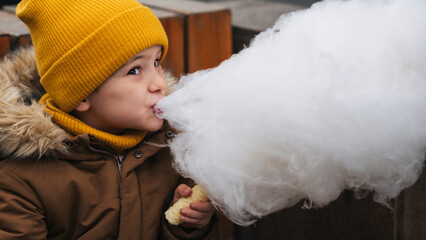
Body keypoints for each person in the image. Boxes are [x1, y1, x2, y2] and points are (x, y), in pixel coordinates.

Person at [0, 0, 218, 239]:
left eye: (156, 62)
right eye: (135, 70)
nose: (159, 84)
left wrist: (187, 226)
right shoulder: (20, 179)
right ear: (82, 95)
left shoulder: (172, 147)